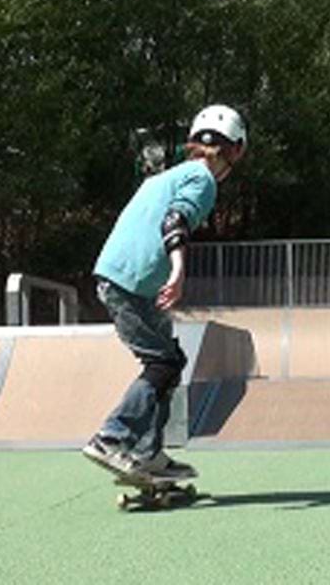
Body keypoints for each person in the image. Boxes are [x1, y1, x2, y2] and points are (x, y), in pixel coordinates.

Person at [82, 104, 247, 479]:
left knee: (170, 361)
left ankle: (148, 454)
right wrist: (177, 269)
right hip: (130, 284)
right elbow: (176, 220)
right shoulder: (202, 180)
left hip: (129, 281)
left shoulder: (167, 175)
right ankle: (113, 436)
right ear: (236, 150)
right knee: (163, 363)